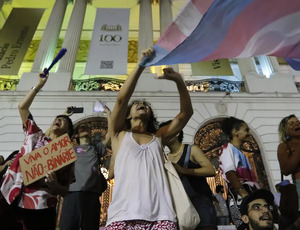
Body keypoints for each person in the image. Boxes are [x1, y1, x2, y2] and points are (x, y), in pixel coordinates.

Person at [106, 47, 193, 229]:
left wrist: (178, 81)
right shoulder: (118, 134)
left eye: (145, 104)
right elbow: (121, 100)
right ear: (128, 115)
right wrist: (140, 65)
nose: (141, 104)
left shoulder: (158, 136)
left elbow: (186, 113)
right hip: (121, 215)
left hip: (162, 215)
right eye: (137, 103)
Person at [0, 71, 74, 230]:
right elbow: (22, 107)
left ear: (68, 133)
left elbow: (66, 191)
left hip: (41, 204)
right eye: (57, 118)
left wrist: (55, 185)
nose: (58, 119)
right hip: (10, 195)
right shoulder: (35, 134)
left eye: (64, 120)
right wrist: (39, 85)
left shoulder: (67, 155)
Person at [159, 119, 217, 230]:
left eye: (166, 131)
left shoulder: (192, 149)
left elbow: (210, 170)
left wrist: (184, 171)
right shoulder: (166, 158)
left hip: (200, 202)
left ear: (177, 132)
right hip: (180, 206)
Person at [59, 110, 110, 230]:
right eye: (81, 128)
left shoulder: (96, 149)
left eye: (86, 127)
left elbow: (111, 134)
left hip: (92, 195)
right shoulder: (70, 149)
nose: (84, 128)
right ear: (76, 135)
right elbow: (59, 138)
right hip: (73, 194)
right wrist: (64, 116)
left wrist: (108, 115)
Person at [219, 117, 259, 229]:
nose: (248, 133)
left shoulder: (238, 152)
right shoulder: (227, 149)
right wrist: (244, 194)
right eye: (246, 130)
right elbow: (230, 172)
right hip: (240, 197)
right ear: (235, 132)